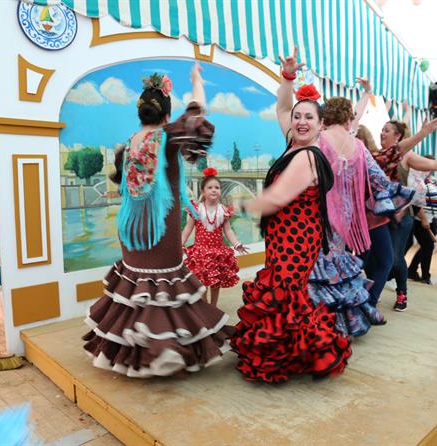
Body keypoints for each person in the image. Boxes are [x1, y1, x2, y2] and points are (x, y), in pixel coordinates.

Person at [82, 65, 234, 378]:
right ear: (166, 114)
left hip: (132, 229)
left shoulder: (130, 142)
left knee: (136, 287)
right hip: (160, 228)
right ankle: (161, 350)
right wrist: (195, 81)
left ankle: (133, 351)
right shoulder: (167, 136)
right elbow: (199, 113)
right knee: (163, 285)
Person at [229, 49, 350, 383]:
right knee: (287, 294)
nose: (300, 121)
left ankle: (303, 352)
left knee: (284, 292)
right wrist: (287, 78)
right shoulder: (293, 143)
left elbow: (276, 199)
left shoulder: (307, 157)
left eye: (309, 117)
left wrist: (239, 204)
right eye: (299, 116)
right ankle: (290, 351)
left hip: (298, 238)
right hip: (285, 235)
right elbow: (282, 107)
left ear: (321, 124)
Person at [307, 93, 415, 337]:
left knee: (316, 265)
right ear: (347, 119)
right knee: (335, 265)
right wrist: (396, 197)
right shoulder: (358, 146)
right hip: (345, 217)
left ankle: (315, 322)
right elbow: (379, 179)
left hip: (318, 211)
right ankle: (341, 322)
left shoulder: (317, 140)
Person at [364, 118, 437, 312]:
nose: (382, 133)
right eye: (381, 130)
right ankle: (371, 295)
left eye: (387, 131)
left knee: (395, 257)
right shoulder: (375, 155)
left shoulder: (406, 156)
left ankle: (401, 293)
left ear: (398, 136)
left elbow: (432, 164)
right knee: (374, 257)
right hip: (376, 215)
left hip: (399, 215)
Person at [182, 167, 247, 307]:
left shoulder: (223, 210)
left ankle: (214, 306)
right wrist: (180, 243)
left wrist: (237, 244)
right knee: (203, 282)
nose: (214, 190)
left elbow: (228, 231)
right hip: (201, 252)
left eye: (217, 187)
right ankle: (205, 306)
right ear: (203, 191)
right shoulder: (197, 209)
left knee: (216, 282)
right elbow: (188, 228)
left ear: (220, 191)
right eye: (210, 187)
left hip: (217, 252)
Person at [407, 157, 437, 284]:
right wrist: (423, 219)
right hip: (419, 217)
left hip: (432, 217)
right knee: (426, 245)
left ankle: (412, 270)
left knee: (426, 245)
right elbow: (416, 201)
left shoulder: (432, 180)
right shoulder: (417, 179)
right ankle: (425, 275)